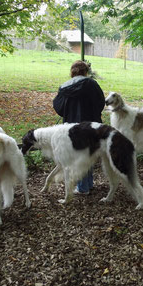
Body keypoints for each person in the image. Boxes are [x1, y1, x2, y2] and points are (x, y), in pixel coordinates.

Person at [53, 60, 105, 194]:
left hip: (72, 125)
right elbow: (100, 103)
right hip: (91, 124)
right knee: (89, 152)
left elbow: (58, 107)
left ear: (72, 71)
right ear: (86, 71)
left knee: (78, 155)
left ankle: (83, 187)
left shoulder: (65, 87)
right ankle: (87, 183)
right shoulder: (92, 84)